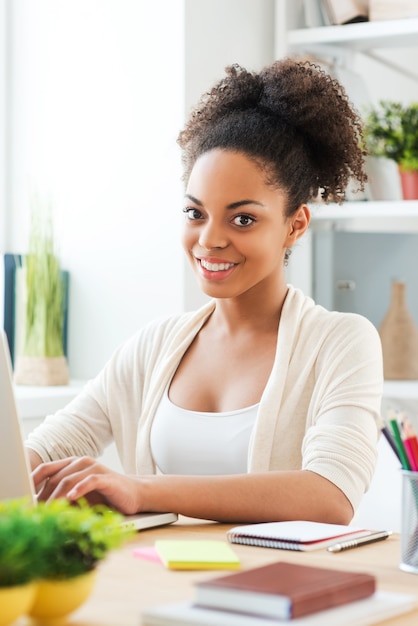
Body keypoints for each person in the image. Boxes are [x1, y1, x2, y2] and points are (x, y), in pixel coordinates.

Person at [27, 58, 383, 525]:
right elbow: (45, 450)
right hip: (160, 585)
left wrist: (142, 490)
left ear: (295, 225)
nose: (210, 239)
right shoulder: (153, 347)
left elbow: (330, 495)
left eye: (242, 219)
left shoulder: (341, 342)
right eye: (196, 213)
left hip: (277, 590)